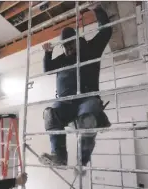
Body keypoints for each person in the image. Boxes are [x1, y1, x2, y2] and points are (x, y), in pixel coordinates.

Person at [39, 3, 112, 176]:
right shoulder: (63, 58)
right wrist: (48, 53)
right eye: (65, 46)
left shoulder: (91, 49)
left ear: (78, 41)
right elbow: (47, 69)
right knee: (50, 113)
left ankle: (82, 161)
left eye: (71, 45)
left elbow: (106, 31)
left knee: (87, 119)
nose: (68, 49)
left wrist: (97, 10)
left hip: (87, 99)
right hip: (66, 103)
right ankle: (59, 156)